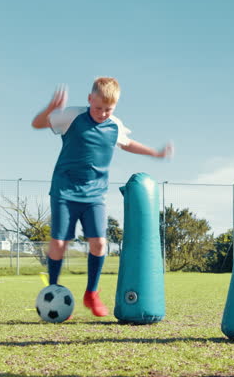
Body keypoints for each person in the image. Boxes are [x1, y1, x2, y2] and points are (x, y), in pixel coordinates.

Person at [31, 78, 173, 317]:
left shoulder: (114, 125)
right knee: (59, 243)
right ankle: (53, 289)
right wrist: (50, 109)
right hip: (64, 190)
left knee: (99, 243)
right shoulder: (72, 116)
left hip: (95, 195)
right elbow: (37, 124)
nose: (103, 113)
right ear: (90, 99)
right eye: (98, 108)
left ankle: (91, 293)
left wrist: (155, 153)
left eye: (109, 109)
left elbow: (127, 144)